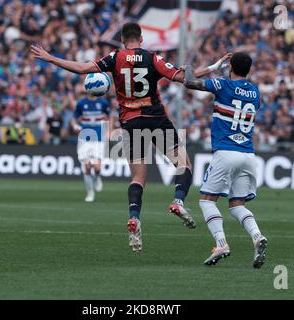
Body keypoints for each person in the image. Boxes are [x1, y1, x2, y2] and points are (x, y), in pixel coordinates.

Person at [31, 22, 229, 252]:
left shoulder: (115, 57)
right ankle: (178, 201)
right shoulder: (152, 58)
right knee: (182, 163)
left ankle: (134, 217)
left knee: (137, 176)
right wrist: (214, 66)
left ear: (123, 39)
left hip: (130, 121)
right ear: (141, 39)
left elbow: (82, 69)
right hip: (156, 117)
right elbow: (184, 78)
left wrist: (50, 58)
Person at [184, 52, 268, 268]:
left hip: (225, 151)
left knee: (206, 200)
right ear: (249, 70)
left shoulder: (222, 85)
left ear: (230, 66)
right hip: (248, 154)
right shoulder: (256, 92)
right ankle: (257, 236)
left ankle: (221, 243)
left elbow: (188, 80)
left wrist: (214, 65)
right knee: (236, 204)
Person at [71, 94, 109, 202]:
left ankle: (97, 178)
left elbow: (109, 115)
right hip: (85, 137)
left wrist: (108, 130)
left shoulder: (103, 102)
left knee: (97, 167)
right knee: (87, 167)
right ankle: (90, 193)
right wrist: (75, 126)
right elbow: (74, 118)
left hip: (99, 137)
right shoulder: (81, 103)